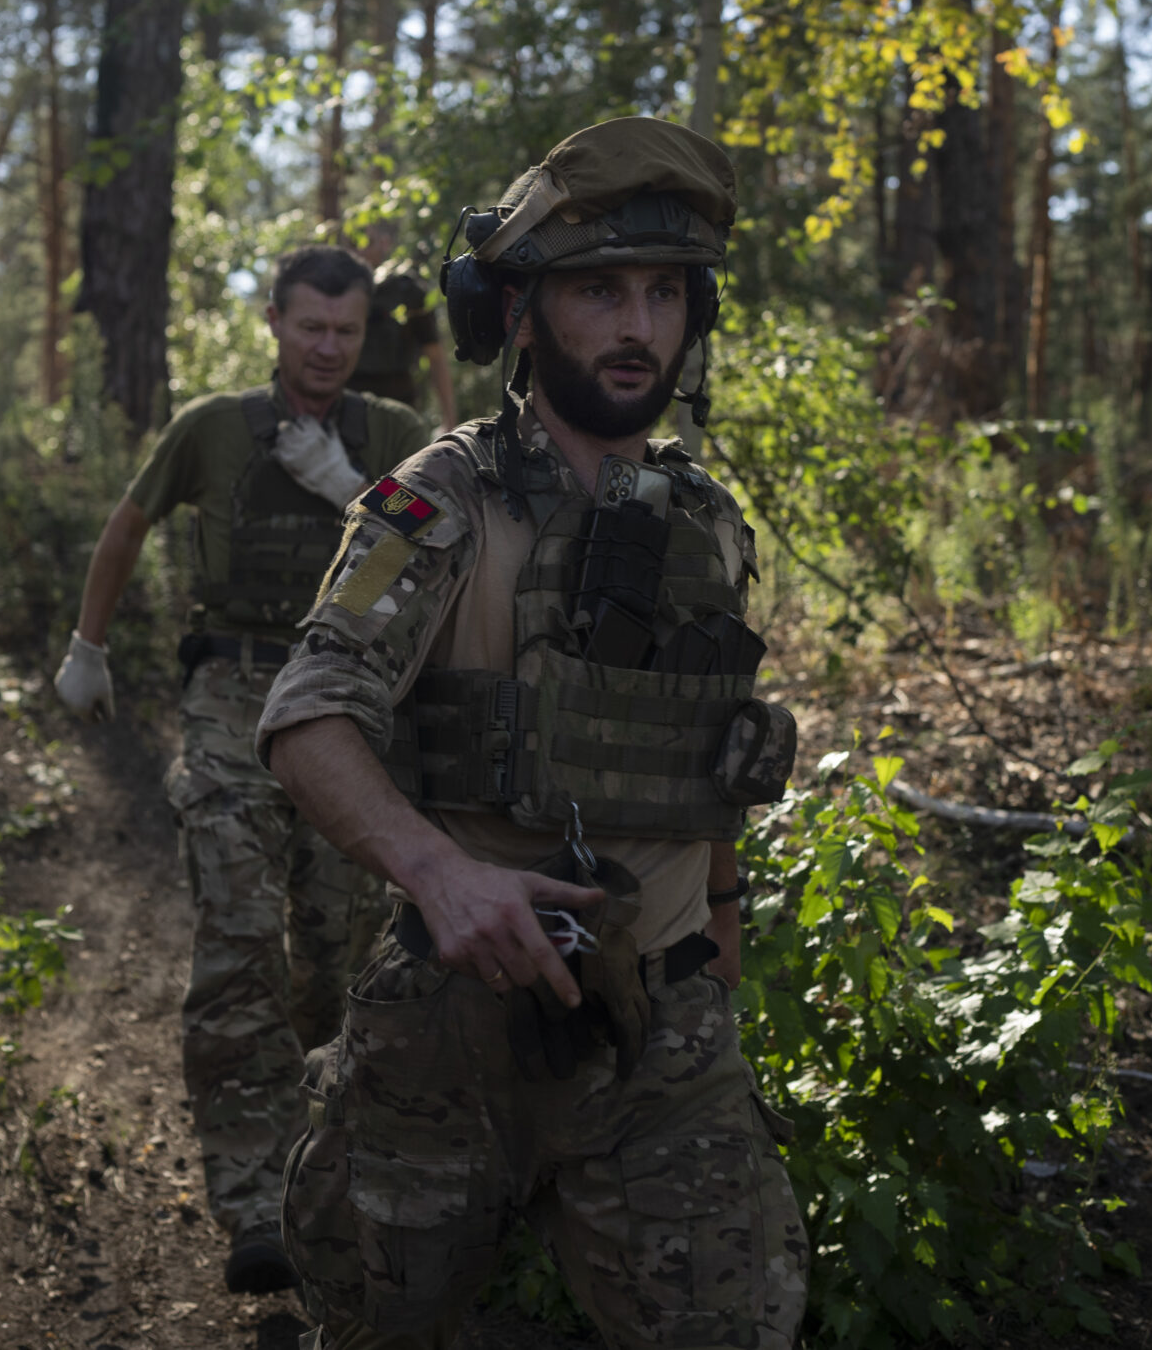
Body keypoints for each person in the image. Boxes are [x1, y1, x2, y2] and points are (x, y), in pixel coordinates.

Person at [258, 118, 809, 1349]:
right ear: (516, 313)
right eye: (599, 290)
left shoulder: (706, 525)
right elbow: (307, 716)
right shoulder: (437, 501)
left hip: (660, 1034)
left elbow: (700, 770)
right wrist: (442, 875)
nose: (636, 325)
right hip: (452, 1022)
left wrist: (716, 941)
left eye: (664, 293)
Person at [53, 244, 435, 1295]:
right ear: (272, 322)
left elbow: (439, 550)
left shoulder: (396, 437)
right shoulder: (213, 429)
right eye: (308, 327)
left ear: (364, 338)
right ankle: (251, 1202)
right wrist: (87, 647)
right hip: (230, 689)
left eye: (344, 332)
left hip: (347, 698)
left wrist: (356, 494)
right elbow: (129, 523)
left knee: (331, 949)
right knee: (235, 937)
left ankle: (313, 1151)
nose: (324, 348)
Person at [353, 226, 460, 427]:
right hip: (348, 415)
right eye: (353, 244)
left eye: (367, 243)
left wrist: (450, 421)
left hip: (399, 413)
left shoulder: (407, 291)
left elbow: (435, 357)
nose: (359, 252)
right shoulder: (336, 293)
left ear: (384, 243)